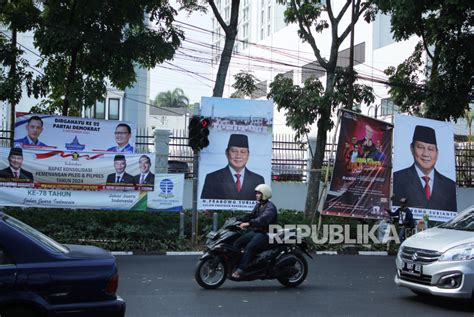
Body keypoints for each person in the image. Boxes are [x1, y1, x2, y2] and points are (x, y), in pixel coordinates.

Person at [393, 125, 456, 211]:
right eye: (420, 147)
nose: (425, 154)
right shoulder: (398, 179)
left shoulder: (449, 185)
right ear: (412, 148)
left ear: (437, 153)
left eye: (430, 149)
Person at [232, 184, 278, 279]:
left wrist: (249, 224)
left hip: (267, 233)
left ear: (264, 194)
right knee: (237, 242)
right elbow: (251, 215)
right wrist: (238, 219)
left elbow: (262, 220)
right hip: (258, 231)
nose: (256, 195)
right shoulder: (259, 205)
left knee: (250, 247)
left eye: (258, 193)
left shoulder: (270, 208)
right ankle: (235, 264)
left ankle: (241, 269)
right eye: (256, 193)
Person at [201, 134, 265, 200]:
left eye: (243, 152)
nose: (238, 156)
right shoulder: (212, 178)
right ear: (227, 153)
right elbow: (205, 205)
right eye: (234, 151)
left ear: (248, 155)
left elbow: (262, 205)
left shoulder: (258, 180)